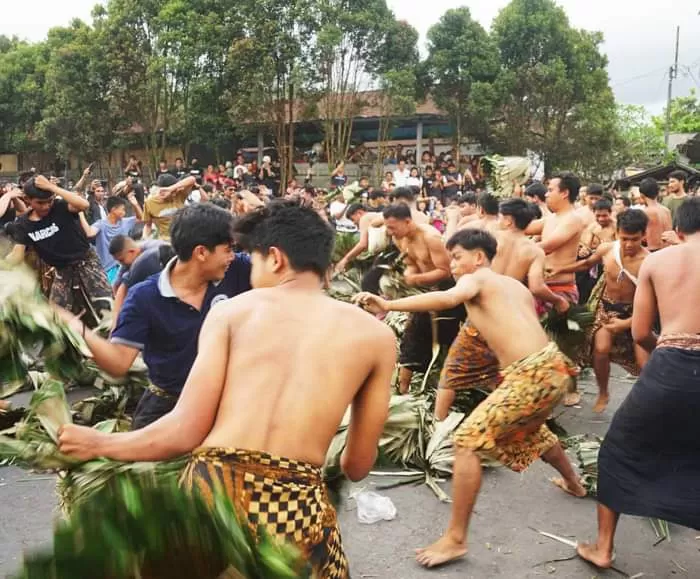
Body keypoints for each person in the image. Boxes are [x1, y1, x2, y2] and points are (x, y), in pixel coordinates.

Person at [58, 200, 397, 578]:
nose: (247, 270)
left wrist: (97, 443)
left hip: (211, 494)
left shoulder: (231, 313)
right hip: (292, 506)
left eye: (250, 260)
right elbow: (356, 466)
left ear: (275, 258)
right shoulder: (377, 338)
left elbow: (184, 430)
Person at [354, 229, 586, 568]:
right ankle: (575, 484)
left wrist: (388, 303)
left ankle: (456, 539)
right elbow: (512, 329)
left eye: (457, 256)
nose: (453, 264)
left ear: (479, 257)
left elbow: (448, 298)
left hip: (531, 374)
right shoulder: (515, 287)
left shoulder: (476, 280)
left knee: (467, 442)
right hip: (552, 368)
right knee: (531, 429)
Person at [577, 197, 700, 568]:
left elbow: (641, 331)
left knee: (618, 449)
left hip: (671, 365)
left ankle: (603, 548)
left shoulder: (657, 261)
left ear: (677, 230)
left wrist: (667, 350)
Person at [56, 204, 252, 429]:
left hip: (229, 405)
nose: (232, 256)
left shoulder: (240, 271)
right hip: (168, 408)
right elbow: (119, 363)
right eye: (227, 249)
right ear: (201, 252)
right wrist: (77, 328)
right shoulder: (145, 297)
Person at [436, 198, 569, 421]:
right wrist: (557, 301)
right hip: (510, 318)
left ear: (507, 220)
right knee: (509, 368)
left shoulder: (489, 238)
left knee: (451, 373)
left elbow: (452, 243)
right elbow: (537, 286)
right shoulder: (533, 250)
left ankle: (437, 422)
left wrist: (452, 219)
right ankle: (528, 415)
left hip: (483, 311)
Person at [551, 209, 650, 413]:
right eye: (624, 239)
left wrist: (626, 323)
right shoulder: (607, 250)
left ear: (644, 235)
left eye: (635, 239)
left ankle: (645, 404)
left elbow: (655, 304)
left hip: (636, 314)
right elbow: (586, 264)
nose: (629, 244)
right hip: (606, 309)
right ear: (617, 234)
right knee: (601, 350)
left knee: (645, 366)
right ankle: (603, 392)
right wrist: (561, 269)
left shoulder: (650, 262)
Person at [6, 175, 112, 326]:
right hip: (63, 272)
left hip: (87, 264)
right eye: (40, 203)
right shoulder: (23, 225)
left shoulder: (60, 206)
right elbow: (17, 255)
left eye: (49, 201)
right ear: (27, 200)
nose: (46, 206)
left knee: (105, 307)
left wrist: (52, 187)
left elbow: (83, 205)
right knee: (56, 318)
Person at [382, 203, 465, 393]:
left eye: (393, 227)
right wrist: (409, 274)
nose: (389, 231)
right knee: (413, 334)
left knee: (451, 338)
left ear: (408, 221)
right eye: (387, 226)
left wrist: (417, 278)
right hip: (425, 291)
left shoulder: (431, 237)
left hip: (448, 290)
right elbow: (411, 261)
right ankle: (402, 388)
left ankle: (453, 385)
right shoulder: (399, 238)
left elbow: (445, 272)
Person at [526, 172, 586, 406]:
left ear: (564, 193)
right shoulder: (549, 218)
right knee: (539, 341)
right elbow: (527, 228)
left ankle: (572, 388)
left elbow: (548, 246)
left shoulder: (572, 218)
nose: (546, 194)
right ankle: (544, 388)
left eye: (550, 190)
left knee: (565, 342)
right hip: (540, 286)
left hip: (562, 288)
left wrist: (519, 251)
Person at [108, 235, 174, 329]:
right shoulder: (130, 257)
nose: (121, 264)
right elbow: (118, 285)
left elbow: (124, 288)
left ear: (132, 252)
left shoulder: (153, 252)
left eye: (121, 260)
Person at [84, 195, 144, 285]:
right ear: (113, 209)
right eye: (122, 209)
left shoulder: (125, 222)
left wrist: (135, 204)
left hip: (124, 267)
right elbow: (89, 232)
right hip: (106, 270)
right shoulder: (101, 224)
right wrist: (80, 213)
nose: (124, 212)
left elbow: (141, 218)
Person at [575, 198, 616, 304]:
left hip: (612, 265)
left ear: (610, 213)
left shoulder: (617, 227)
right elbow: (586, 245)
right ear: (594, 214)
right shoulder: (593, 227)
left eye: (604, 215)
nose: (601, 219)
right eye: (598, 216)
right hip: (596, 264)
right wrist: (584, 250)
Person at [143, 174, 196, 241]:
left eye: (175, 190)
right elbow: (148, 225)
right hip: (165, 241)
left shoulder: (179, 195)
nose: (174, 193)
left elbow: (192, 179)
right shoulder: (150, 203)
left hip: (184, 239)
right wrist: (145, 239)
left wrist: (171, 189)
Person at [638, 177, 672, 252]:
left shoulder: (646, 212)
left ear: (642, 195)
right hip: (669, 251)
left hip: (655, 252)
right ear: (657, 193)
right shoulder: (666, 210)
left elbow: (652, 243)